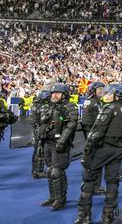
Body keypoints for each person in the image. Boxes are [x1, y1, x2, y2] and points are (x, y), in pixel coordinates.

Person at [74, 83, 122, 224]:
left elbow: (96, 132)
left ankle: (84, 216)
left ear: (116, 94)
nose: (105, 95)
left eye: (108, 93)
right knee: (112, 183)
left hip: (101, 150)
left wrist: (87, 150)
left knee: (88, 181)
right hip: (118, 151)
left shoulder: (108, 108)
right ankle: (108, 215)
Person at [38, 83, 79, 211]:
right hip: (47, 142)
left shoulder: (70, 107)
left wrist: (62, 141)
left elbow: (72, 124)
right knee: (50, 171)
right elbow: (42, 123)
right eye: (52, 93)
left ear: (64, 95)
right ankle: (53, 197)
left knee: (57, 172)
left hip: (60, 143)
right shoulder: (49, 106)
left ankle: (60, 199)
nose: (54, 95)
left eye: (57, 93)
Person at [81, 82, 107, 195]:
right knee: (96, 161)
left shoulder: (89, 101)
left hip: (89, 134)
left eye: (102, 89)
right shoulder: (96, 103)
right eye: (99, 89)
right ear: (93, 90)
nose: (102, 91)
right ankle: (95, 186)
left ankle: (91, 185)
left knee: (90, 160)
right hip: (94, 135)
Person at [30, 90, 51, 179]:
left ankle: (36, 171)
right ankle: (37, 172)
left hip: (36, 129)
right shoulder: (43, 106)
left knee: (37, 150)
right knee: (39, 150)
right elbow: (45, 119)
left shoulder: (35, 105)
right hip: (41, 130)